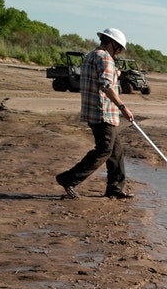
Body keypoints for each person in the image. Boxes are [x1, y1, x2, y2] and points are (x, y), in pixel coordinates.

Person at [56, 28, 135, 200]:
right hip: (103, 112)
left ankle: (115, 188)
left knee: (116, 151)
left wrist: (116, 73)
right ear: (111, 44)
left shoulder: (91, 55)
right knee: (104, 150)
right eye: (119, 48)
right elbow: (106, 86)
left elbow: (101, 78)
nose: (119, 52)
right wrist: (123, 107)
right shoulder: (105, 57)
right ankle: (68, 179)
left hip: (96, 111)